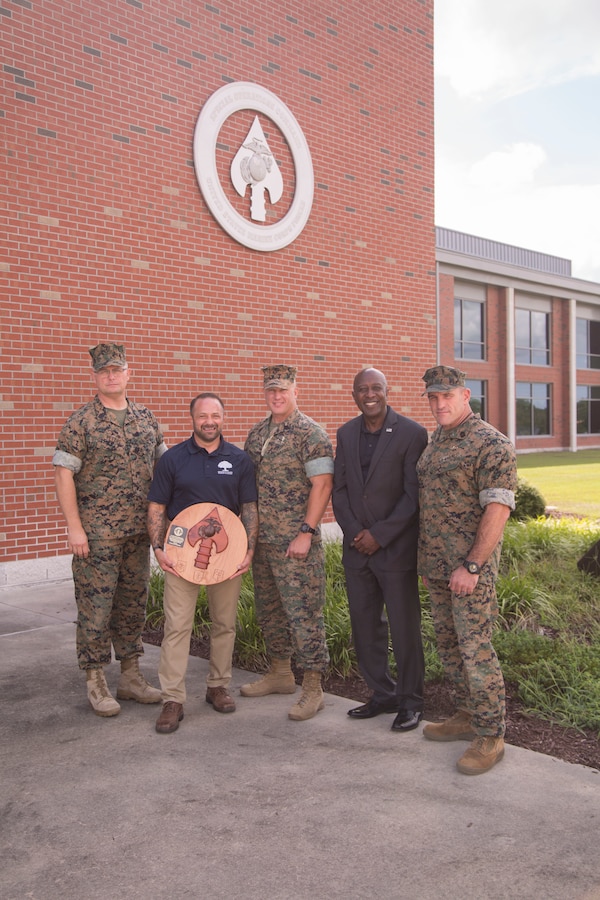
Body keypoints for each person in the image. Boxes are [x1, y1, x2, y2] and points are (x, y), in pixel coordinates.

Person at [53, 342, 166, 717]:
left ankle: (131, 676)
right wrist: (74, 528)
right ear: (95, 377)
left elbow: (166, 470)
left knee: (133, 606)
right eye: (104, 372)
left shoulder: (147, 418)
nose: (111, 376)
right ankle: (96, 679)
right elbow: (64, 474)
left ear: (128, 373)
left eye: (117, 370)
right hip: (97, 535)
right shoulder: (80, 422)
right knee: (95, 609)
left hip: (139, 532)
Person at [417, 365, 517, 775]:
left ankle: (491, 734)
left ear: (465, 396)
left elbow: (498, 509)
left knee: (475, 648)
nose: (440, 404)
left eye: (447, 396)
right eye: (433, 398)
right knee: (449, 645)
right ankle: (465, 715)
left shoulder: (490, 444)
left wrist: (473, 565)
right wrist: (428, 563)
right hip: (438, 566)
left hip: (469, 570)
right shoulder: (437, 440)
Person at [147, 392, 258, 734]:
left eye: (215, 415)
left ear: (223, 418)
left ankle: (217, 685)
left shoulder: (239, 460)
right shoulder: (173, 459)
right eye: (202, 416)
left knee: (224, 623)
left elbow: (250, 509)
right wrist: (159, 549)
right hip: (181, 556)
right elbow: (156, 509)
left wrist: (248, 551)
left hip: (227, 556)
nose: (209, 421)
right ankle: (172, 699)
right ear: (192, 418)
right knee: (177, 626)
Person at [332, 367, 428, 731]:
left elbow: (411, 495)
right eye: (362, 389)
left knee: (404, 629)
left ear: (387, 391)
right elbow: (339, 490)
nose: (369, 394)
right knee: (365, 626)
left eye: (375, 388)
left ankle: (411, 701)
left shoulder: (412, 433)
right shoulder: (345, 433)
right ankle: (382, 694)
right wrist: (357, 532)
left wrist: (380, 535)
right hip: (357, 550)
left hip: (395, 551)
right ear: (354, 394)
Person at [241, 365, 334, 721]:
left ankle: (313, 688)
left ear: (296, 390)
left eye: (283, 390)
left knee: (305, 613)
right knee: (271, 610)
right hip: (263, 542)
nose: (277, 396)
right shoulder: (257, 433)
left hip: (297, 545)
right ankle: (280, 673)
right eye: (271, 391)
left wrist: (306, 533)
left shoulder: (310, 434)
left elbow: (322, 485)